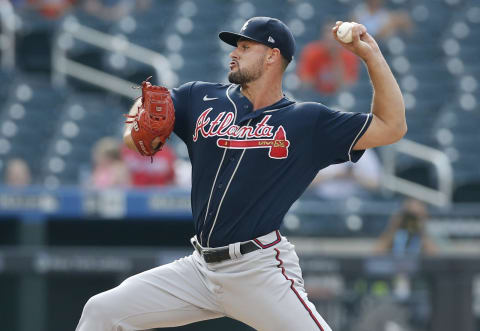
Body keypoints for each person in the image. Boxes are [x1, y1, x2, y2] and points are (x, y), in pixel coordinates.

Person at [76, 16, 407, 330]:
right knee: (101, 311)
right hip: (200, 268)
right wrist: (139, 119)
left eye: (246, 47)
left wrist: (371, 55)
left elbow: (390, 127)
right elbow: (151, 105)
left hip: (258, 270)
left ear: (272, 57)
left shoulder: (307, 122)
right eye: (235, 46)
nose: (234, 53)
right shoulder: (200, 97)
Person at [297, 21, 359, 94]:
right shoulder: (311, 51)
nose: (330, 37)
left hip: (338, 98)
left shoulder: (349, 55)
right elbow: (306, 84)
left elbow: (346, 88)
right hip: (315, 96)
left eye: (335, 33)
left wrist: (336, 57)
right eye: (328, 32)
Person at [309, 148, 381, 200]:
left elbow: (376, 185)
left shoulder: (364, 152)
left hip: (356, 203)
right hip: (322, 202)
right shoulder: (321, 150)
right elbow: (308, 182)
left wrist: (354, 176)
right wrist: (335, 175)